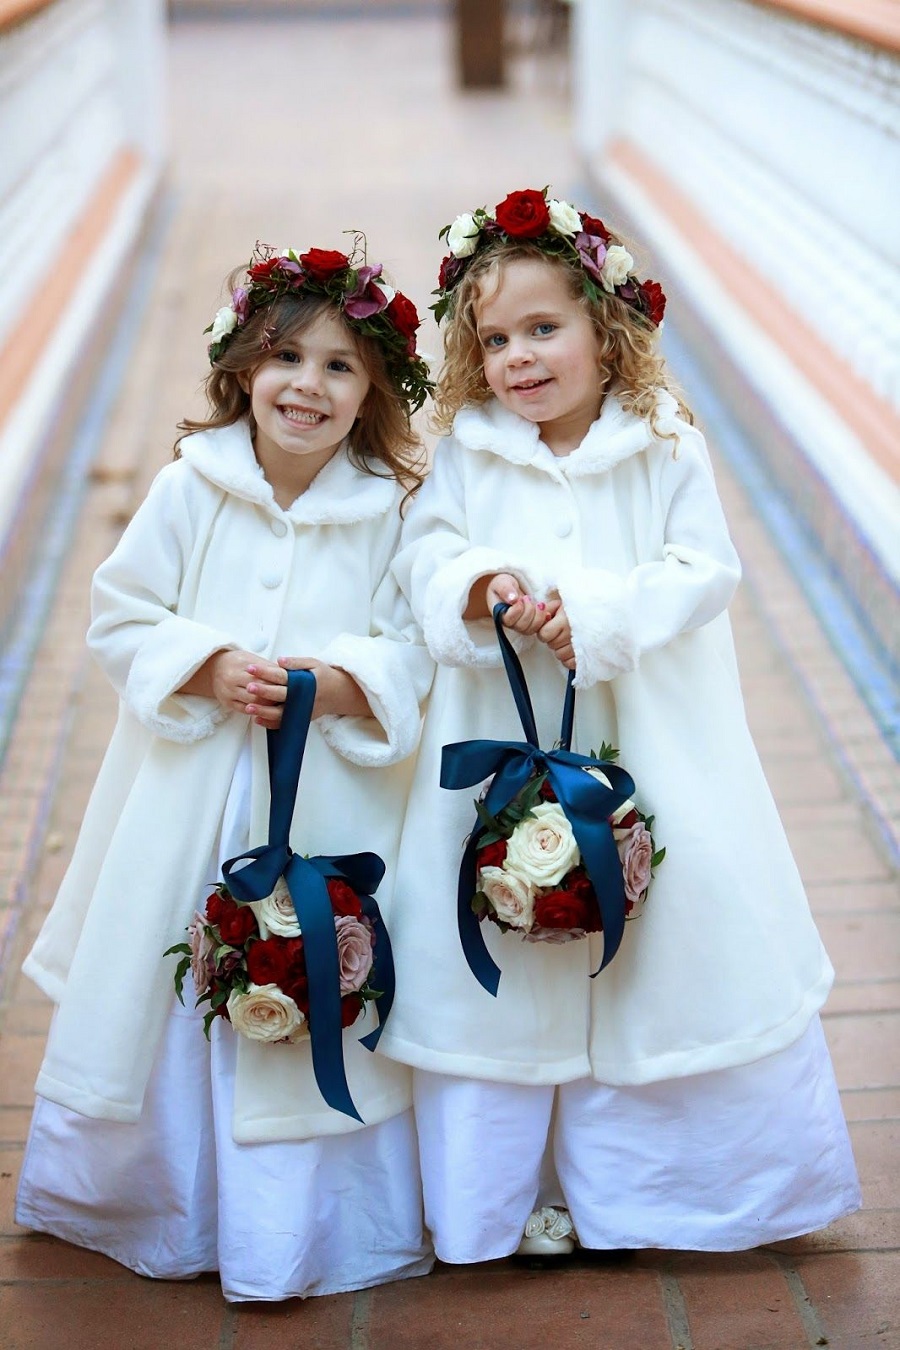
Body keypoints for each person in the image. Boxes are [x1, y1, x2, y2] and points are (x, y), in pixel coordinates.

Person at [378, 188, 861, 1263]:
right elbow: (425, 551)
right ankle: (506, 1198)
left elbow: (704, 571)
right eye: (495, 340)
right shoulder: (465, 446)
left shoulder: (663, 440)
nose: (520, 358)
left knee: (660, 938)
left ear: (605, 324)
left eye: (543, 328)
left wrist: (590, 616)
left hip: (645, 727)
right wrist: (481, 585)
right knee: (515, 937)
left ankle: (651, 1195)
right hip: (502, 727)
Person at [16, 243, 436, 1301]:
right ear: (243, 366)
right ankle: (165, 1201)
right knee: (176, 981)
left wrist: (340, 684)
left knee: (315, 981)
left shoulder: (391, 509)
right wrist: (205, 664)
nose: (309, 385)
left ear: (375, 389)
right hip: (191, 804)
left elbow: (414, 648)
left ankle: (305, 1226)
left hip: (328, 802)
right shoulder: (189, 488)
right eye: (287, 356)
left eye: (342, 367)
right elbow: (122, 618)